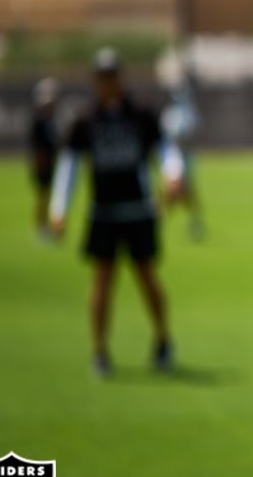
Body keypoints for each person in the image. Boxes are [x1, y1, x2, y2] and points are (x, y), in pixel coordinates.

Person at [49, 47, 184, 378]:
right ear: (95, 80)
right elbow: (70, 166)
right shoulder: (85, 119)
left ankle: (163, 339)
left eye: (112, 76)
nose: (107, 82)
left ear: (119, 78)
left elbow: (165, 149)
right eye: (101, 77)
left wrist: (172, 174)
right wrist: (59, 209)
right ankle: (99, 351)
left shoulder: (140, 115)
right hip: (103, 213)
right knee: (102, 282)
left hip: (138, 210)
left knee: (147, 278)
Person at [160, 77, 206, 241]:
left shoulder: (190, 112)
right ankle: (161, 218)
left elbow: (195, 131)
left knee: (186, 190)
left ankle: (194, 220)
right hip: (173, 154)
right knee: (173, 188)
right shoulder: (170, 113)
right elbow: (167, 135)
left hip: (186, 155)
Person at [29, 77, 60, 242]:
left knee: (49, 196)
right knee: (43, 196)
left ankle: (47, 225)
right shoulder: (39, 121)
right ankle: (40, 227)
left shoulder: (51, 119)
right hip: (43, 163)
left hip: (52, 161)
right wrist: (41, 163)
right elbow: (37, 145)